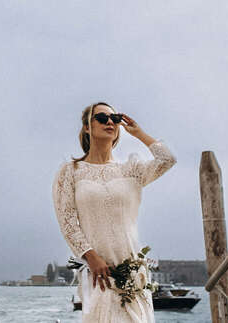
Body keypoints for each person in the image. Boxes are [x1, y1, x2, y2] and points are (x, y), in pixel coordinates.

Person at [52, 102, 176, 322]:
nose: (109, 122)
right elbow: (67, 220)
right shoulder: (71, 171)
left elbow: (167, 160)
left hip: (132, 273)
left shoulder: (131, 169)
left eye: (115, 118)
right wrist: (91, 257)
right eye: (102, 118)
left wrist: (139, 133)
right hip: (98, 274)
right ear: (87, 127)